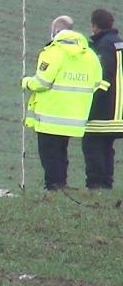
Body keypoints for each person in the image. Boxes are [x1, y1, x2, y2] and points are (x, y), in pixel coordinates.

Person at [22, 16, 105, 190]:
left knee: (49, 154)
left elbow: (42, 82)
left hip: (50, 115)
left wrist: (26, 82)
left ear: (56, 31)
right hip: (74, 117)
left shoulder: (53, 52)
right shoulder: (89, 54)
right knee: (61, 151)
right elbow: (97, 82)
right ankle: (61, 185)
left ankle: (54, 186)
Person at [83, 9, 122, 189]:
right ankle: (106, 185)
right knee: (106, 148)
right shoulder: (119, 43)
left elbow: (103, 78)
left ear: (94, 26)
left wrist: (89, 103)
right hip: (119, 112)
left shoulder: (103, 45)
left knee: (93, 146)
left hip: (104, 111)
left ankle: (96, 185)